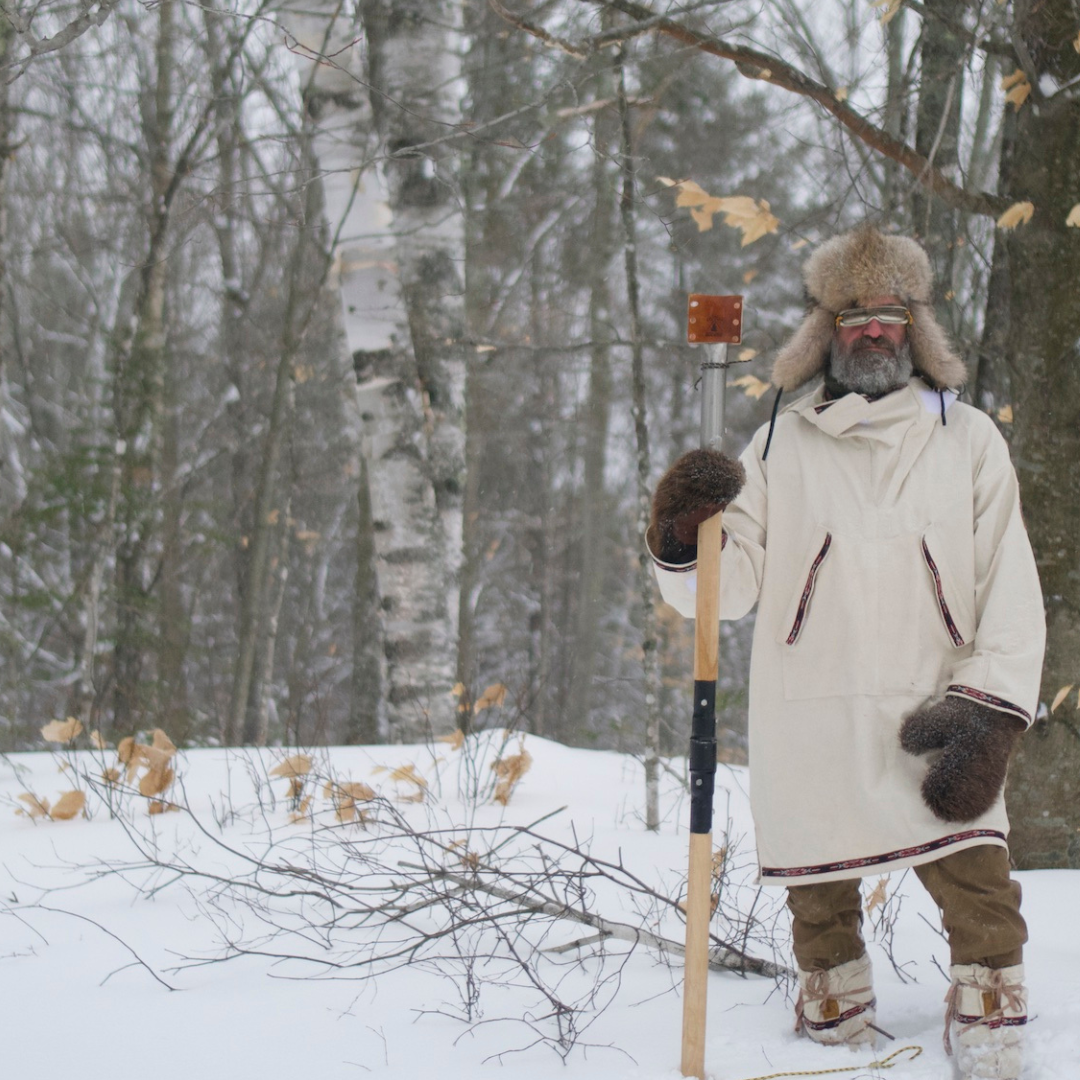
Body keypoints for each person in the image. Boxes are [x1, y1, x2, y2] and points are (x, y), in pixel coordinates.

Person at [647, 226, 1045, 1080]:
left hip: (937, 700)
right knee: (819, 893)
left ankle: (991, 1019)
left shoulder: (968, 438)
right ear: (826, 329)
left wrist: (991, 709)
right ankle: (834, 1014)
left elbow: (1012, 585)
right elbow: (729, 591)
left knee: (976, 874)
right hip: (813, 706)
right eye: (854, 314)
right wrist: (685, 535)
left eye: (889, 315)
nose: (872, 331)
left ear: (915, 327)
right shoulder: (778, 446)